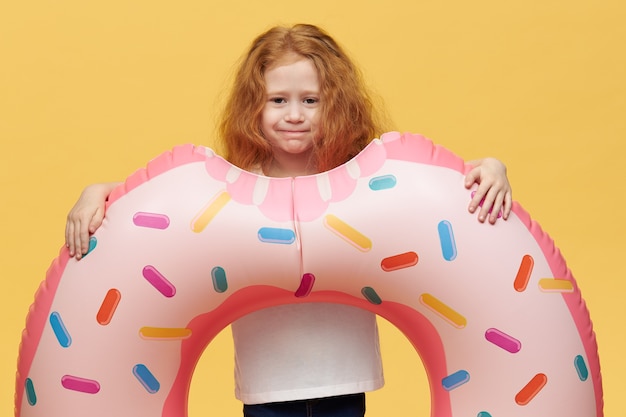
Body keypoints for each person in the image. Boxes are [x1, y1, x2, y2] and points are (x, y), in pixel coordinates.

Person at [65, 24, 512, 417]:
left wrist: (492, 166)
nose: (294, 114)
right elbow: (165, 212)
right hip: (266, 387)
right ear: (253, 108)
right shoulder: (235, 187)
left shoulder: (362, 183)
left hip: (345, 381)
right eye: (278, 100)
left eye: (311, 100)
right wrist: (97, 192)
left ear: (335, 105)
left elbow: (435, 195)